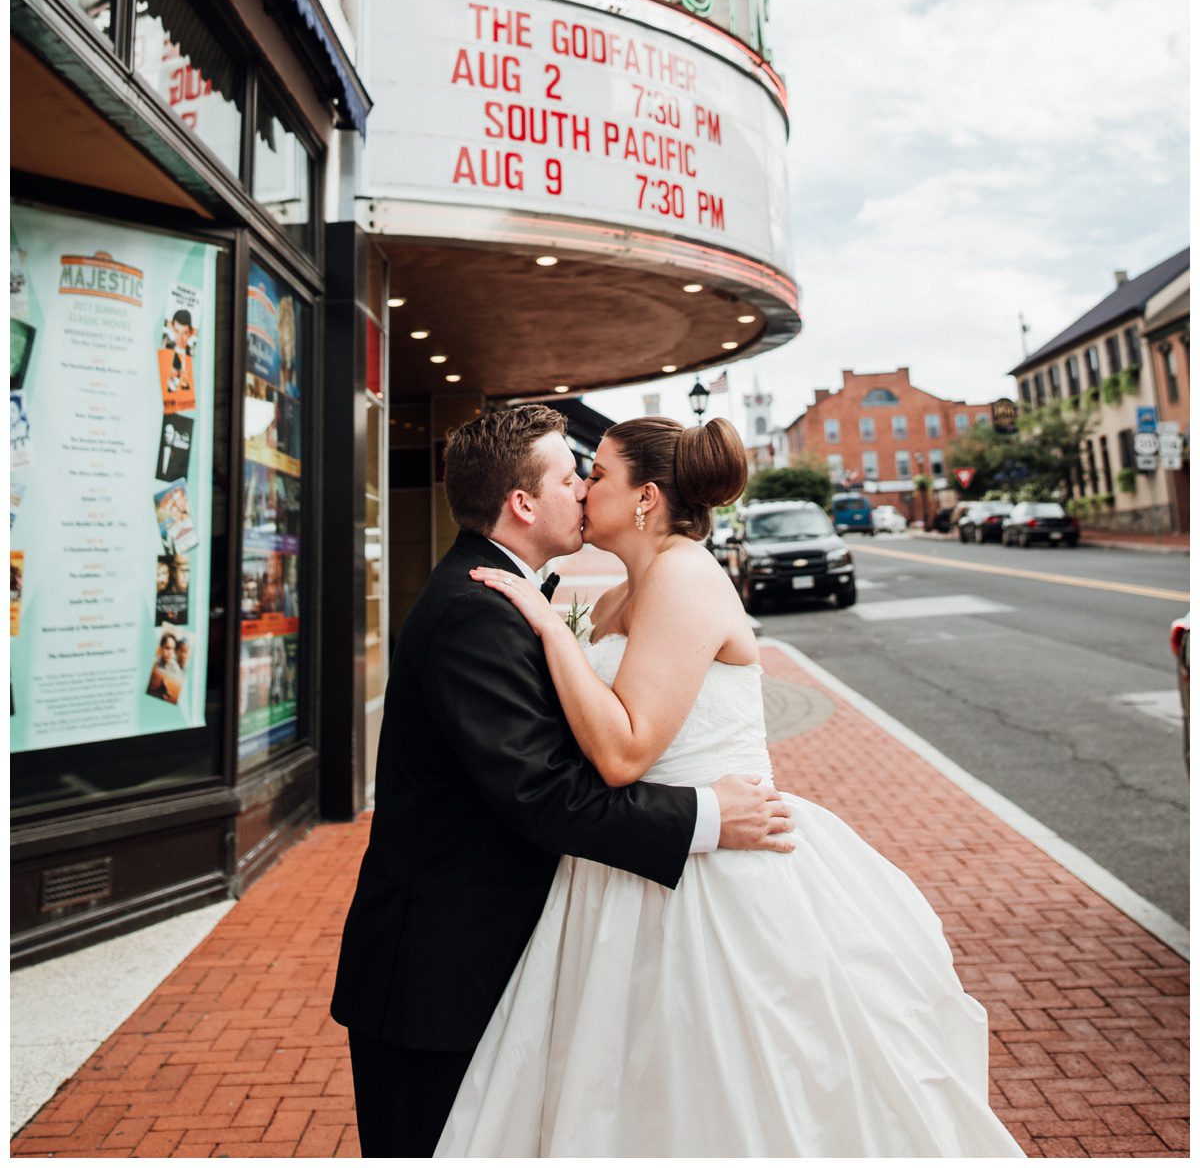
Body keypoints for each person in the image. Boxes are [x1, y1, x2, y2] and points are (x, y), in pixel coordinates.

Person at [438, 414, 1024, 1158]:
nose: (585, 489)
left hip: (710, 870)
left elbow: (622, 752)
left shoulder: (684, 575)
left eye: (599, 475)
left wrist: (552, 632)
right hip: (629, 861)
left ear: (645, 498)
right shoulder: (623, 592)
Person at [330, 404, 793, 1158]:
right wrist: (707, 817)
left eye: (592, 473)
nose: (581, 488)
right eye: (570, 474)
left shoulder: (514, 596)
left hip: (531, 940)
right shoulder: (476, 612)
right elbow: (547, 792)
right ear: (522, 502)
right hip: (437, 974)